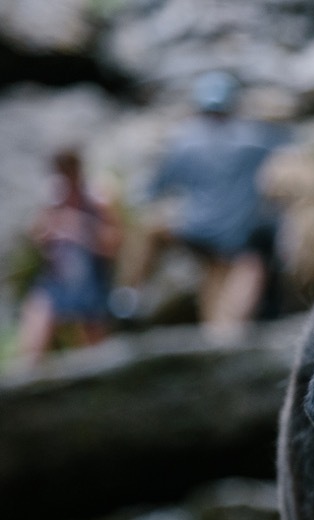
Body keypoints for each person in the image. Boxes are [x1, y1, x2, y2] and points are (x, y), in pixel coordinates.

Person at [127, 71, 288, 335]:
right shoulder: (258, 138)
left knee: (153, 227)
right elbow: (291, 152)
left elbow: (152, 191)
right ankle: (223, 336)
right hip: (236, 239)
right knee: (233, 278)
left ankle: (132, 293)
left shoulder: (184, 140)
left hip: (195, 231)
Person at [15, 147, 122, 367]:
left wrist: (79, 228)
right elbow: (36, 236)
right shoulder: (53, 197)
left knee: (94, 356)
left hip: (91, 281)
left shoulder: (97, 197)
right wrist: (44, 232)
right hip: (56, 278)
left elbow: (114, 243)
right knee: (31, 348)